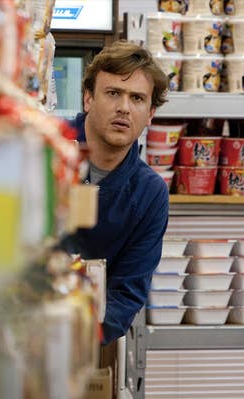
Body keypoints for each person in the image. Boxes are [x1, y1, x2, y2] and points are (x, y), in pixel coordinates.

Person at [64, 41, 170, 346]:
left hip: (82, 342)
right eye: (113, 93)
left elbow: (128, 292)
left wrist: (74, 338)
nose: (124, 107)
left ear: (150, 114)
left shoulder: (150, 193)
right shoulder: (47, 149)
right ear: (88, 98)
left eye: (137, 98)